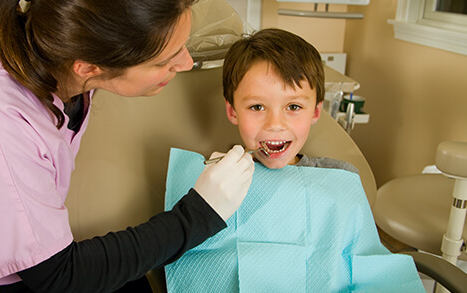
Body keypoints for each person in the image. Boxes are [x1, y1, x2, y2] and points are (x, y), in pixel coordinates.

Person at [0, 0, 255, 292]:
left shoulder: (60, 65)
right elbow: (58, 277)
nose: (186, 63)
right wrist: (199, 214)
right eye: (166, 59)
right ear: (89, 68)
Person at [164, 28, 426, 292]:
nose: (275, 124)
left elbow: (368, 267)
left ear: (315, 111)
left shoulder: (338, 178)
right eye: (257, 107)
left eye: (293, 107)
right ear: (233, 111)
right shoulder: (215, 181)